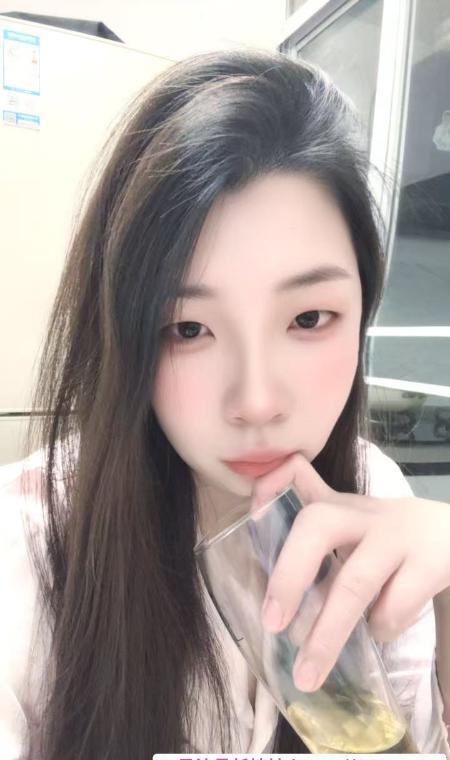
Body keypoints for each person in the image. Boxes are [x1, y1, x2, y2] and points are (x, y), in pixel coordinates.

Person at [0, 48, 449, 759]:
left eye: (309, 319)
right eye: (188, 329)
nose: (257, 402)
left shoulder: (374, 494)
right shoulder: (25, 545)